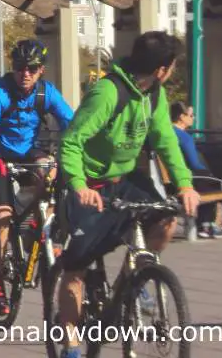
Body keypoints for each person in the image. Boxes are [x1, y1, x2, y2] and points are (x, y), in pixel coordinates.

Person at [55, 31, 199, 358]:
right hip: (90, 185)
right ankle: (71, 342)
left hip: (125, 178)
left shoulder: (155, 93)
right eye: (173, 65)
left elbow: (165, 141)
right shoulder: (108, 92)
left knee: (165, 218)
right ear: (162, 69)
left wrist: (185, 185)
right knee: (75, 269)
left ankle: (138, 274)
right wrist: (78, 185)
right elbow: (71, 142)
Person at [0, 39, 74, 318]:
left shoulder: (46, 93)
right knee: (2, 215)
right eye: (20, 67)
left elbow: (73, 123)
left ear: (41, 69)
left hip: (27, 152)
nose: (25, 73)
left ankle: (37, 227)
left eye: (31, 68)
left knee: (53, 172)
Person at [171, 100, 222, 239]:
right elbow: (195, 164)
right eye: (191, 115)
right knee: (212, 182)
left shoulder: (166, 132)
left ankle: (206, 224)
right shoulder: (184, 137)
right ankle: (207, 225)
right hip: (186, 180)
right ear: (181, 117)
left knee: (207, 180)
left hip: (168, 181)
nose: (193, 118)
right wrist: (209, 174)